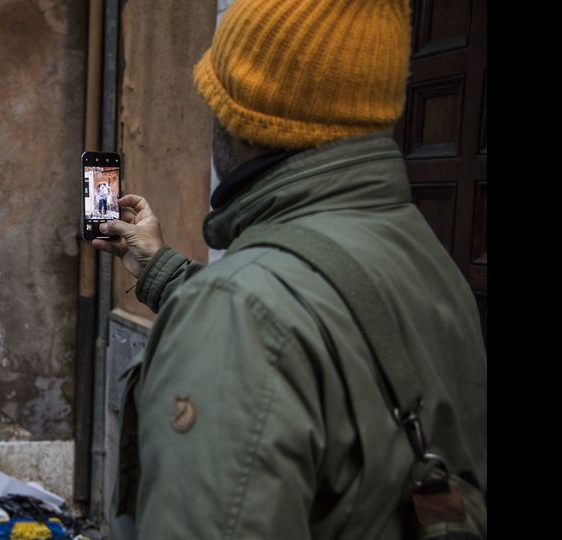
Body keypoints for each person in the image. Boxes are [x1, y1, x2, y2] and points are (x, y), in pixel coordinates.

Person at [94, 1, 487, 538]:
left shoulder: (239, 311)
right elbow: (325, 332)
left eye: (215, 100)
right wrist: (160, 267)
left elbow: (269, 325)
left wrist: (218, 305)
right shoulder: (423, 253)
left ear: (244, 121)